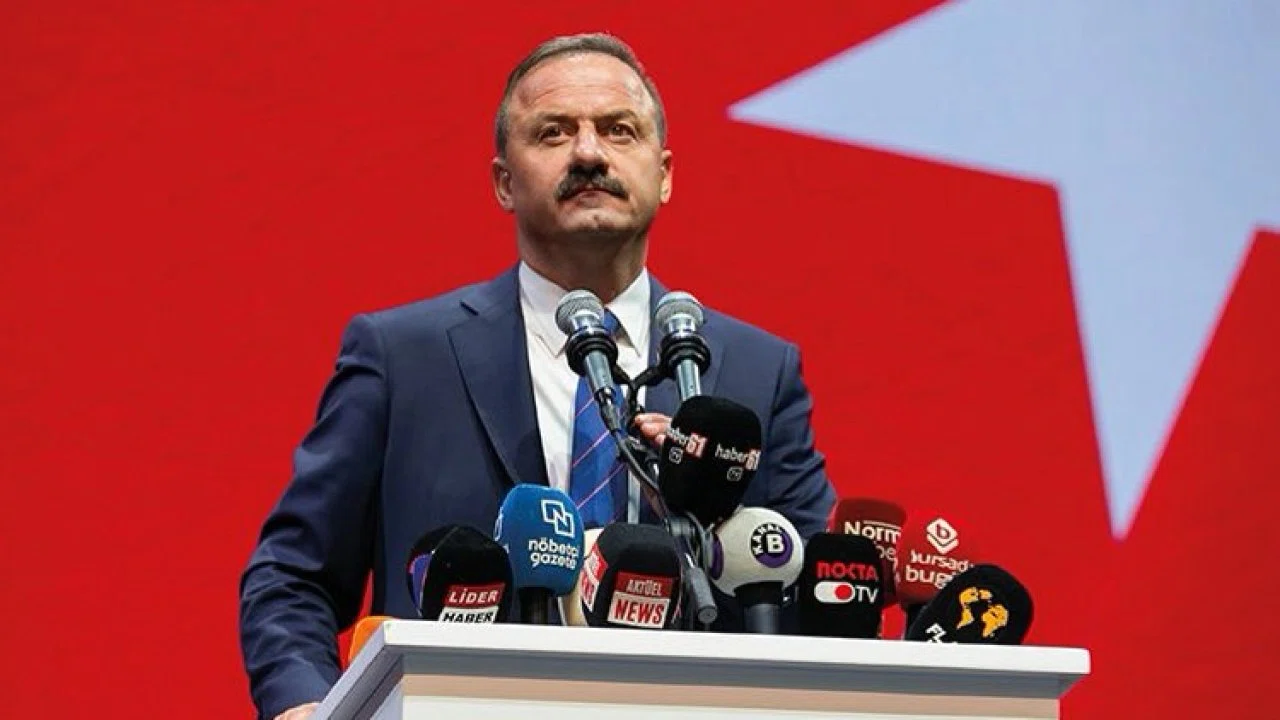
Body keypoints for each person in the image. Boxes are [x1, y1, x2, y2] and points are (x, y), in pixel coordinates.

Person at [239, 32, 836, 720]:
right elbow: (293, 577)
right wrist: (305, 704)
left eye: (618, 130)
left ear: (665, 173)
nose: (588, 153)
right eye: (553, 132)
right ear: (503, 181)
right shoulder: (403, 357)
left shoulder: (755, 371)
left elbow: (811, 591)